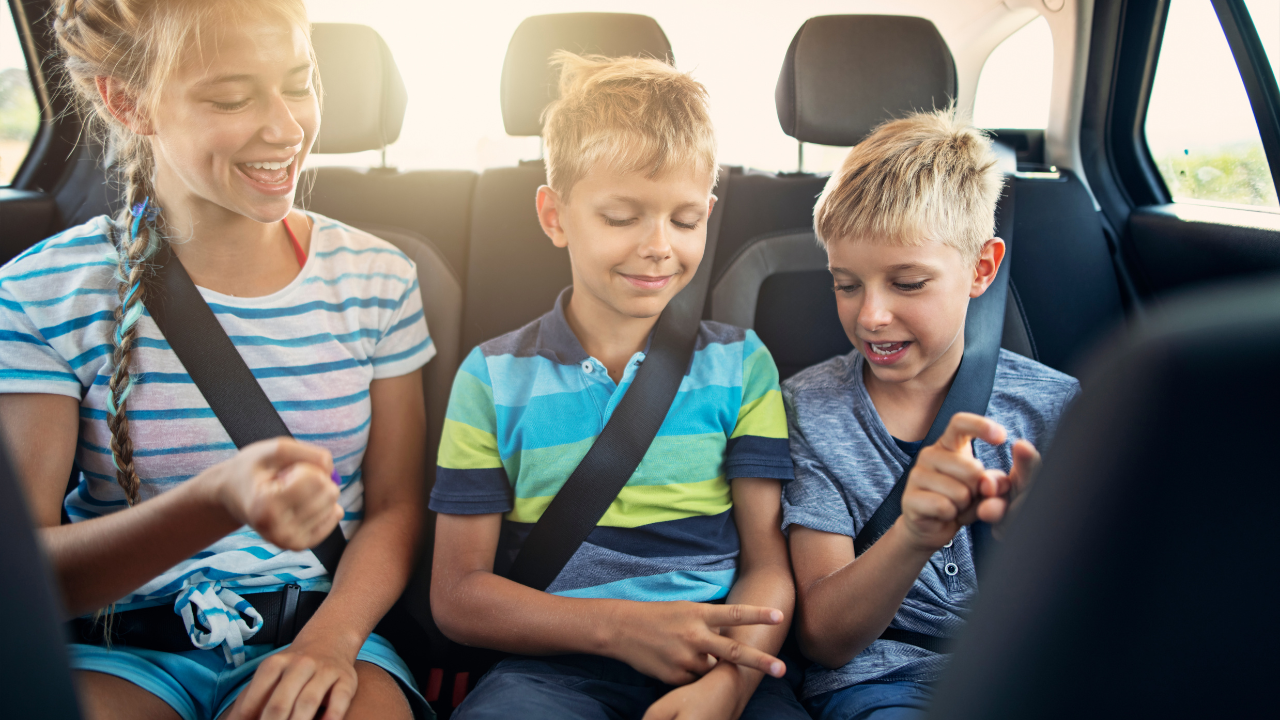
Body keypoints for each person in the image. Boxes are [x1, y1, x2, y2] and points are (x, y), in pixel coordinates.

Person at [0, 2, 433, 719]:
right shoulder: (41, 291)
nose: (286, 128)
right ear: (128, 101)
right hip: (120, 648)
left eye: (300, 83)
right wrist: (213, 502)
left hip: (323, 626)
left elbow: (392, 506)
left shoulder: (378, 278)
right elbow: (26, 574)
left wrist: (332, 642)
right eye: (232, 97)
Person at [428, 52, 807, 720]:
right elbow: (458, 595)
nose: (659, 245)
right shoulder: (491, 379)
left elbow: (767, 565)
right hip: (549, 669)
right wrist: (622, 629)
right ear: (555, 216)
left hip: (715, 664)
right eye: (621, 216)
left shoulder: (741, 365)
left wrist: (729, 688)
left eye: (685, 221)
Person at [781, 109, 1081, 720]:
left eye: (909, 283)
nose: (871, 316)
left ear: (981, 269)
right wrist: (914, 533)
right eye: (846, 284)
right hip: (884, 680)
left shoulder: (1057, 408)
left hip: (1042, 669)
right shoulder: (808, 410)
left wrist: (1045, 542)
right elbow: (825, 637)